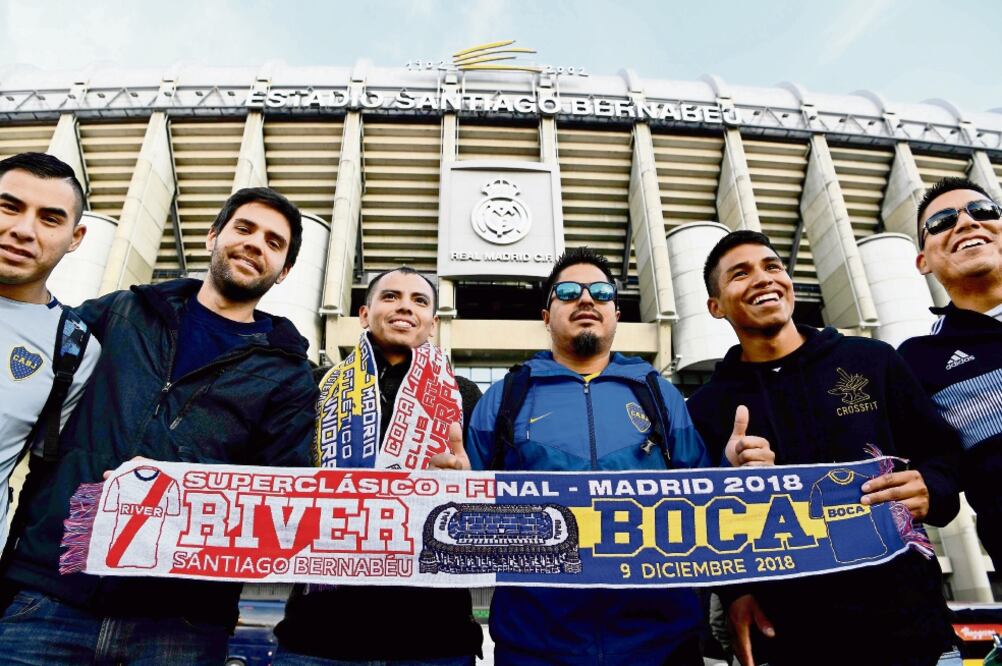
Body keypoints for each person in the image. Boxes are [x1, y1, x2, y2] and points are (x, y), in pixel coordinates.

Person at [0, 186, 318, 664]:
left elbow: (278, 495)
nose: (256, 244)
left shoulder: (289, 372)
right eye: (244, 228)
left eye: (274, 243)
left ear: (285, 271)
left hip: (181, 621)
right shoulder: (121, 312)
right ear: (213, 236)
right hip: (49, 595)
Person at [465, 247, 765, 666]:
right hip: (535, 644)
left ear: (616, 315)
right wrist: (450, 483)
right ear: (545, 315)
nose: (586, 299)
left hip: (661, 643)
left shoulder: (658, 393)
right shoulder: (505, 397)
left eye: (601, 292)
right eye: (567, 291)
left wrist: (728, 473)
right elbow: (466, 510)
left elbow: (703, 506)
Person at [687, 229, 963, 666]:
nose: (763, 279)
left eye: (772, 266)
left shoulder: (872, 361)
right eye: (741, 274)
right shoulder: (706, 408)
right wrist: (735, 591)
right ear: (715, 306)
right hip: (790, 636)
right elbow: (699, 516)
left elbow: (945, 456)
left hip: (908, 626)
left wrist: (932, 486)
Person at [273, 266, 484, 665]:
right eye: (390, 297)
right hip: (318, 636)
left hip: (435, 637)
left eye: (419, 301)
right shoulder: (316, 386)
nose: (405, 307)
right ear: (364, 314)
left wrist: (468, 488)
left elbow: (493, 508)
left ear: (433, 324)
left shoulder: (465, 396)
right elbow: (277, 480)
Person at [898, 177, 1002, 567]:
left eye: (983, 211)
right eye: (942, 221)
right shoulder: (918, 363)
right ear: (923, 261)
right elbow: (931, 472)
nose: (966, 223)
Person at [0, 152, 100, 550]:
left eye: (50, 218)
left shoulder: (73, 348)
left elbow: (43, 468)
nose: (24, 230)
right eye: (9, 207)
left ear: (75, 238)